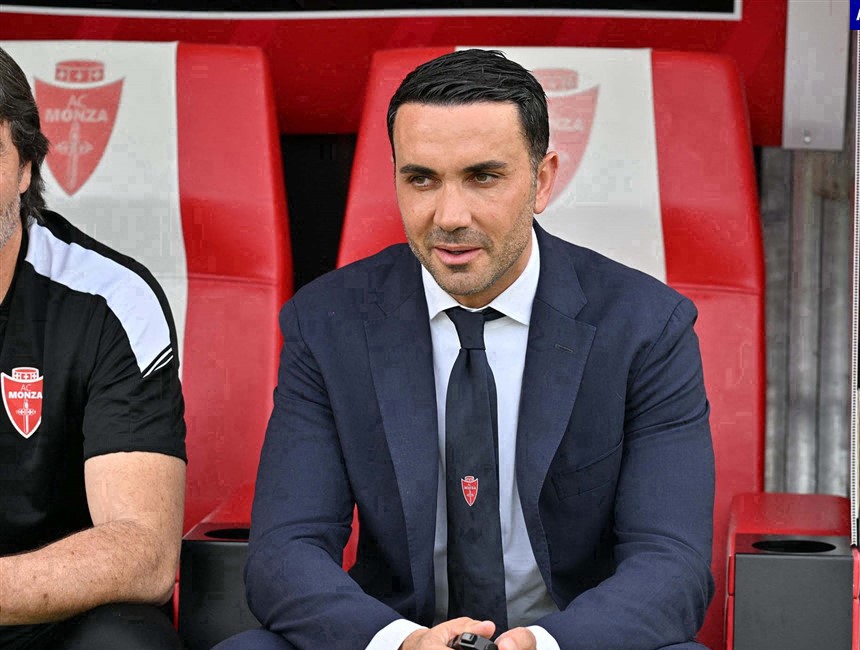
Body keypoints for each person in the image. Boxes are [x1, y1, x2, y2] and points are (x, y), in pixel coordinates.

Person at [219, 49, 714, 650]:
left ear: (542, 181)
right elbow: (284, 552)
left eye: (483, 177)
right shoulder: (329, 323)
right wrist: (401, 642)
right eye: (421, 179)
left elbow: (671, 564)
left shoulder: (645, 326)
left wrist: (543, 645)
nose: (449, 216)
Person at [0, 47, 186, 650]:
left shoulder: (111, 299)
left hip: (49, 619)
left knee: (128, 642)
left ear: (25, 168)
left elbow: (145, 551)